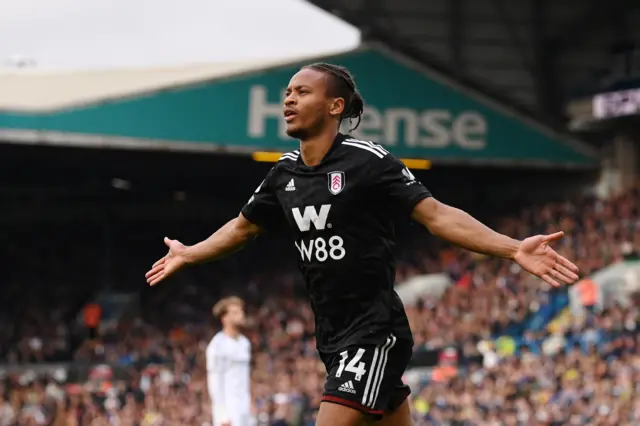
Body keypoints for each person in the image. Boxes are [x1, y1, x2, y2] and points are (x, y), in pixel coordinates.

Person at [145, 63, 580, 426]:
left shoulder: (368, 161)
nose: (289, 100)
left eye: (302, 92)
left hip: (375, 331)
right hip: (331, 335)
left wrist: (512, 248)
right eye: (288, 92)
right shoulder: (284, 174)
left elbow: (437, 215)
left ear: (335, 106)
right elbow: (242, 229)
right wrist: (190, 251)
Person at [206, 296, 251, 426]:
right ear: (224, 318)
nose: (241, 315)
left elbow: (244, 378)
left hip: (244, 408)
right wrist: (222, 416)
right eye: (235, 312)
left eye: (241, 311)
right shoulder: (217, 345)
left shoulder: (245, 343)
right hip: (229, 410)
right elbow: (215, 382)